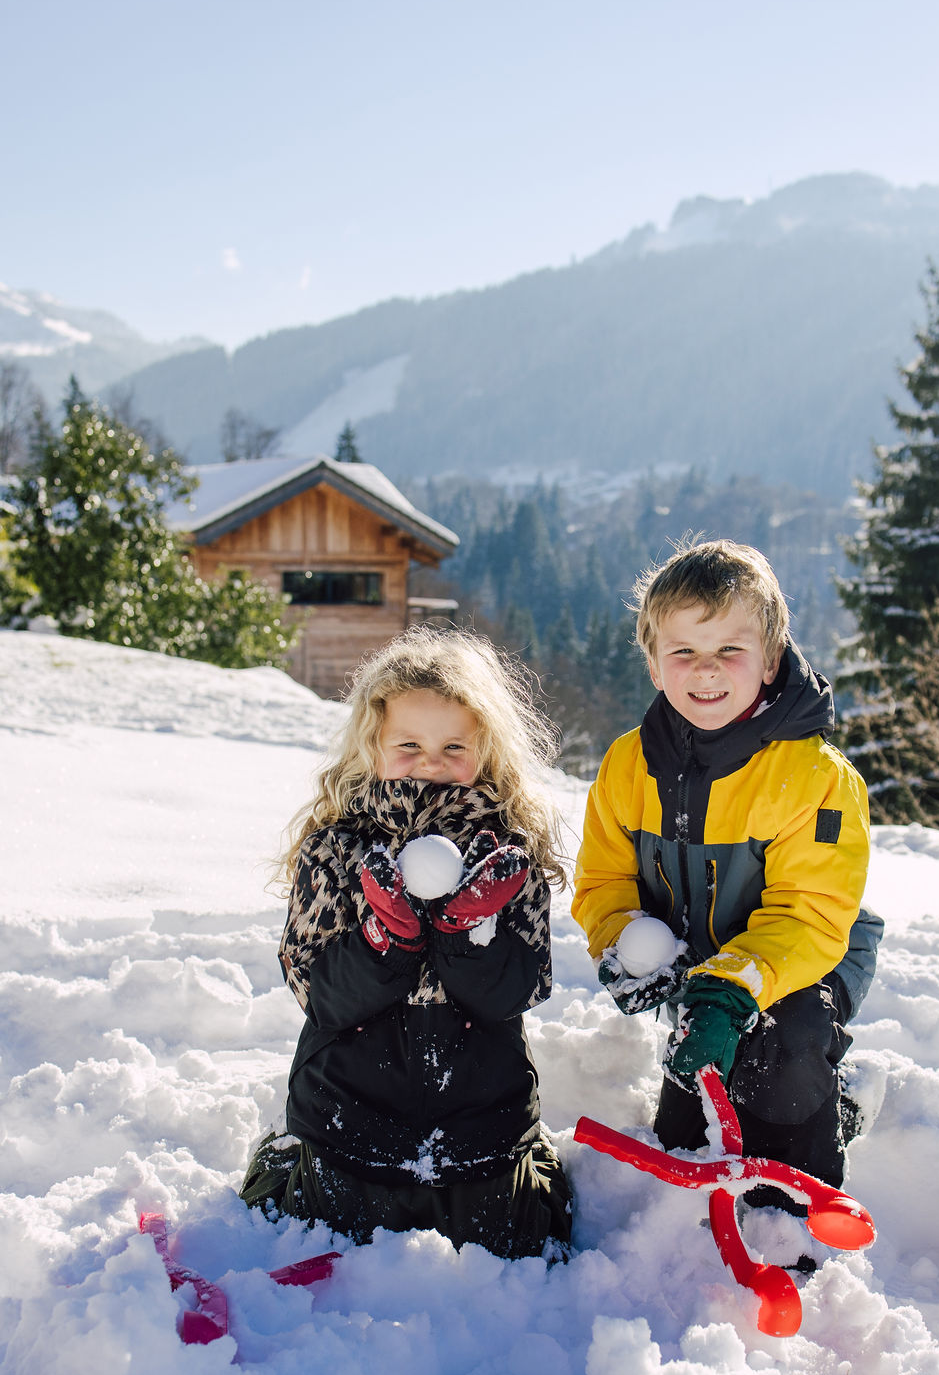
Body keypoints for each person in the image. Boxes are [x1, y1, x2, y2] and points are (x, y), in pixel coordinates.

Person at [240, 626, 572, 1261]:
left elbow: (519, 990)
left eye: (454, 746)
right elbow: (320, 995)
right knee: (326, 1219)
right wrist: (381, 940)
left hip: (481, 1138)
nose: (431, 763)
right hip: (350, 1128)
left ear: (487, 749)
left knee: (519, 1231)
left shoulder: (507, 850)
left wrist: (468, 934)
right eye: (409, 744)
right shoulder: (336, 847)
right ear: (373, 745)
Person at [572, 538, 883, 1198]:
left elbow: (809, 915)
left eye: (728, 652)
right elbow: (603, 882)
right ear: (655, 665)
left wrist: (735, 985)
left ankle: (802, 1178)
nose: (704, 670)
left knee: (779, 1051)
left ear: (769, 660)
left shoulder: (814, 778)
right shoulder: (628, 767)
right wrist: (625, 942)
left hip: (805, 958)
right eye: (683, 651)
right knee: (688, 1129)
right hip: (703, 965)